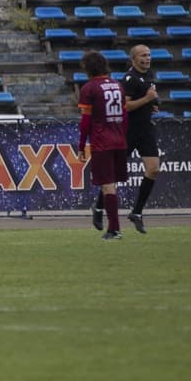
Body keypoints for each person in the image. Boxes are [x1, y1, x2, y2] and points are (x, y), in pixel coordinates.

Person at [76, 50, 128, 241]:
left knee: (107, 186)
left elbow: (85, 121)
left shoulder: (89, 88)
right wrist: (123, 137)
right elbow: (124, 116)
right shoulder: (118, 86)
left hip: (102, 141)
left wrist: (81, 146)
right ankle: (105, 218)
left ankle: (114, 229)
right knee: (111, 184)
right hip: (119, 140)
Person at [119, 43, 161, 233]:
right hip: (129, 131)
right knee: (116, 172)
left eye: (149, 54)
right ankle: (100, 205)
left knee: (153, 169)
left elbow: (148, 97)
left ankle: (137, 212)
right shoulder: (129, 79)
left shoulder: (148, 75)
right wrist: (146, 100)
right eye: (143, 55)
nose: (147, 58)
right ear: (133, 59)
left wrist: (151, 105)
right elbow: (125, 107)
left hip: (145, 129)